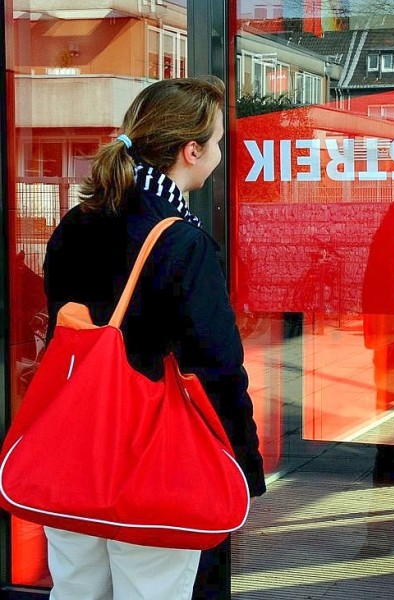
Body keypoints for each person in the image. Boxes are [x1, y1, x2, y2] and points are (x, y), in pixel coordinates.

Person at [42, 76, 266, 599]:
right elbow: (215, 367)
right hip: (151, 457)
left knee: (75, 589)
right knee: (151, 590)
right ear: (192, 150)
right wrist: (243, 460)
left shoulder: (77, 221)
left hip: (74, 444)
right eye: (215, 144)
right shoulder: (181, 240)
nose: (217, 155)